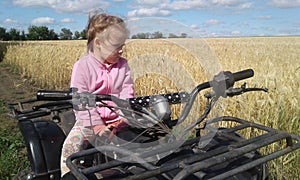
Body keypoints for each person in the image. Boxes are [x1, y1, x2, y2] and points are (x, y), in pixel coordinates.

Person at [60, 12, 134, 178]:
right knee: (70, 150)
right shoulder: (83, 66)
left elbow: (126, 92)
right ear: (99, 43)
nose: (122, 50)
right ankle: (68, 176)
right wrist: (97, 126)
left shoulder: (123, 65)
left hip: (117, 120)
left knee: (131, 151)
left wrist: (122, 118)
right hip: (89, 120)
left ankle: (111, 174)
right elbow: (80, 100)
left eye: (123, 45)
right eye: (117, 46)